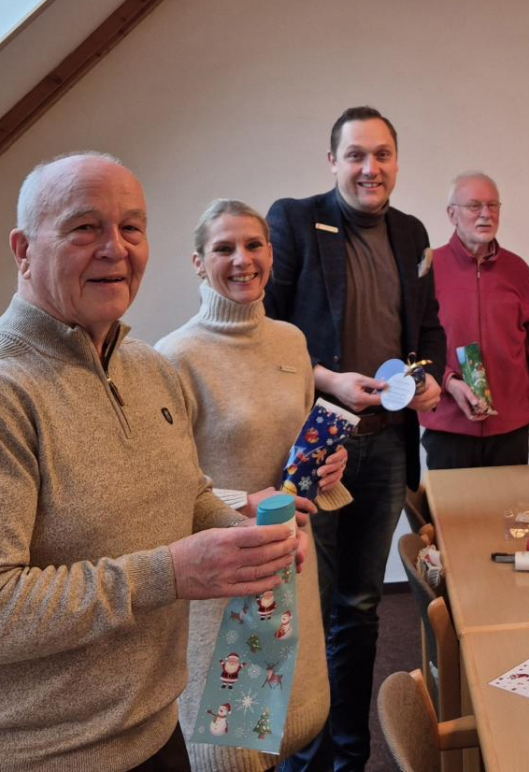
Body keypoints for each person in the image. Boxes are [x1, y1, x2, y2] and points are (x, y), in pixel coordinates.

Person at [0, 153, 301, 770]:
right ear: (23, 250)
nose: (115, 248)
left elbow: (186, 492)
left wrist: (244, 538)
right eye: (84, 228)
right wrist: (169, 573)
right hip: (27, 757)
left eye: (131, 227)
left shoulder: (149, 369)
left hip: (151, 731)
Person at [264, 106, 445, 770]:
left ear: (397, 160)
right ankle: (302, 759)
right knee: (307, 609)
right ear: (333, 161)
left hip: (387, 444)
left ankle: (349, 755)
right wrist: (329, 381)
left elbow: (428, 330)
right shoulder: (294, 221)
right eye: (357, 155)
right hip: (318, 444)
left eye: (382, 155)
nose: (371, 168)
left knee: (362, 608)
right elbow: (268, 333)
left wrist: (428, 377)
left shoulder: (412, 231)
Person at [156, 200, 353, 771]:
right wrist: (242, 502)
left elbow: (296, 450)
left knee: (294, 723)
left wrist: (328, 468)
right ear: (198, 262)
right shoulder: (174, 358)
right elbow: (165, 489)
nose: (242, 260)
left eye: (254, 245)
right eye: (224, 248)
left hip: (291, 563)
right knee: (235, 747)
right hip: (224, 578)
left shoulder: (291, 341)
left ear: (271, 253)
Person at [420, 172, 529, 469]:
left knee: (511, 502)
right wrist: (448, 381)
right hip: (448, 428)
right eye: (474, 206)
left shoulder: (518, 270)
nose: (485, 214)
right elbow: (411, 348)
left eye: (492, 205)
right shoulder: (429, 268)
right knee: (452, 503)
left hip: (510, 431)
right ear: (452, 214)